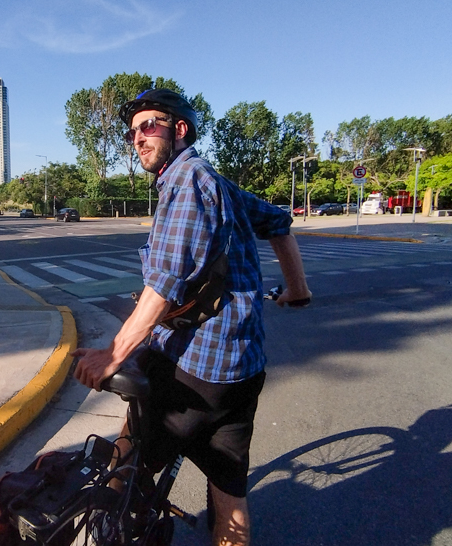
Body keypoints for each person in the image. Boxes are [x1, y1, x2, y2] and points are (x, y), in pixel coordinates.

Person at [71, 89, 312, 546]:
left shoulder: (187, 182)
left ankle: (110, 526)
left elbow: (163, 285)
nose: (137, 138)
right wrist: (298, 290)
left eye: (149, 126)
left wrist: (111, 354)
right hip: (241, 370)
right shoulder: (218, 183)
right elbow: (279, 221)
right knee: (229, 484)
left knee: (131, 451)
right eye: (132, 132)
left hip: (194, 368)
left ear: (179, 129)